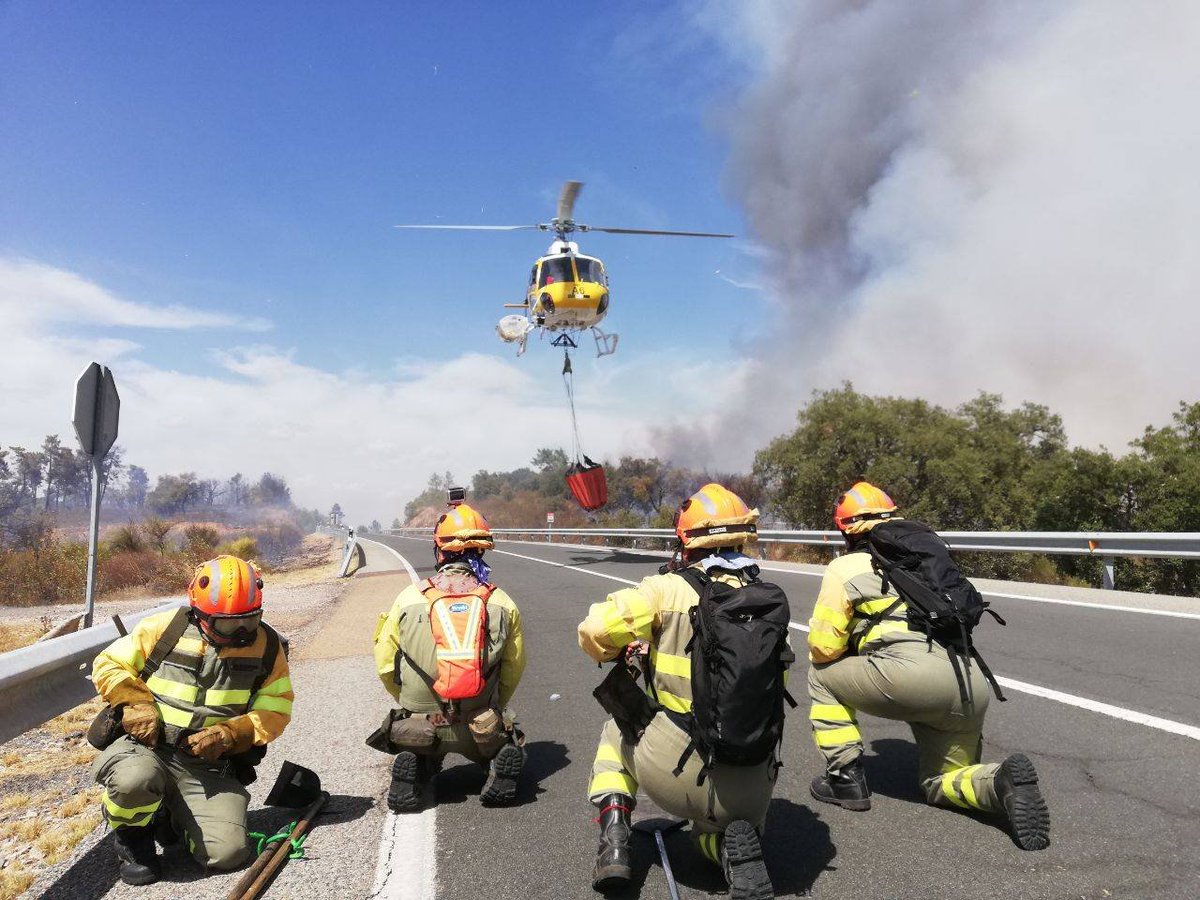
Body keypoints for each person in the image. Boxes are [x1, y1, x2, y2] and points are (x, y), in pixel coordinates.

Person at [805, 481, 1050, 850]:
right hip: (969, 684)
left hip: (907, 679)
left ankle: (845, 778)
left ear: (845, 530)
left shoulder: (845, 567)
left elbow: (823, 647)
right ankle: (1000, 783)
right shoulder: (928, 558)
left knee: (820, 676)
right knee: (942, 780)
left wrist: (859, 651)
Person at [579, 484, 789, 900]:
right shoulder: (769, 598)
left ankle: (616, 837)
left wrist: (622, 647)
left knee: (614, 730)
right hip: (751, 781)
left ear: (685, 538)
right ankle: (726, 849)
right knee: (716, 831)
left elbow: (596, 630)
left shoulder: (667, 589)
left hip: (676, 771)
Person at [91, 555, 293, 885]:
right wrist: (135, 702)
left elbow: (276, 710)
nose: (241, 632)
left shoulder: (268, 647)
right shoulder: (164, 629)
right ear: (200, 614)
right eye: (227, 625)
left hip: (203, 764)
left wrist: (230, 734)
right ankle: (132, 837)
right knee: (133, 781)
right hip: (147, 747)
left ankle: (170, 818)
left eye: (250, 620)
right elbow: (108, 663)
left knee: (227, 854)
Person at [372, 503, 526, 811]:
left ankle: (416, 765)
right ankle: (495, 764)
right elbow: (513, 668)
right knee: (507, 740)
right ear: (481, 552)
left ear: (439, 549)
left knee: (416, 743)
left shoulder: (407, 598)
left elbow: (385, 664)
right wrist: (495, 704)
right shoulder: (501, 601)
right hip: (479, 725)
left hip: (421, 726)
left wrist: (407, 700)